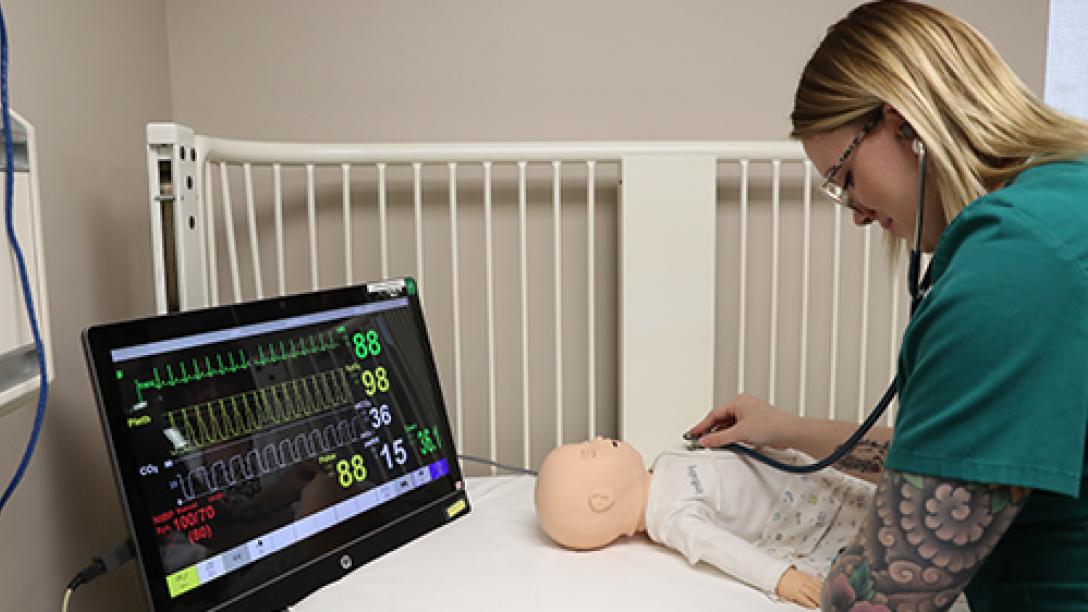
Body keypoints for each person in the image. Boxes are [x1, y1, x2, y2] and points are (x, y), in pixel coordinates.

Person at [687, 2, 1088, 611]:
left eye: (845, 178)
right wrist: (786, 429)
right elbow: (962, 462)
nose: (858, 216)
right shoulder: (1063, 198)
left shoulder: (1012, 265)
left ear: (906, 124)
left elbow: (891, 594)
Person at [534, 437, 877, 609]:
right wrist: (782, 578)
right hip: (818, 519)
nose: (596, 438)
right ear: (601, 500)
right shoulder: (671, 516)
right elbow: (723, 549)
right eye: (588, 451)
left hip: (818, 478)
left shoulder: (663, 464)